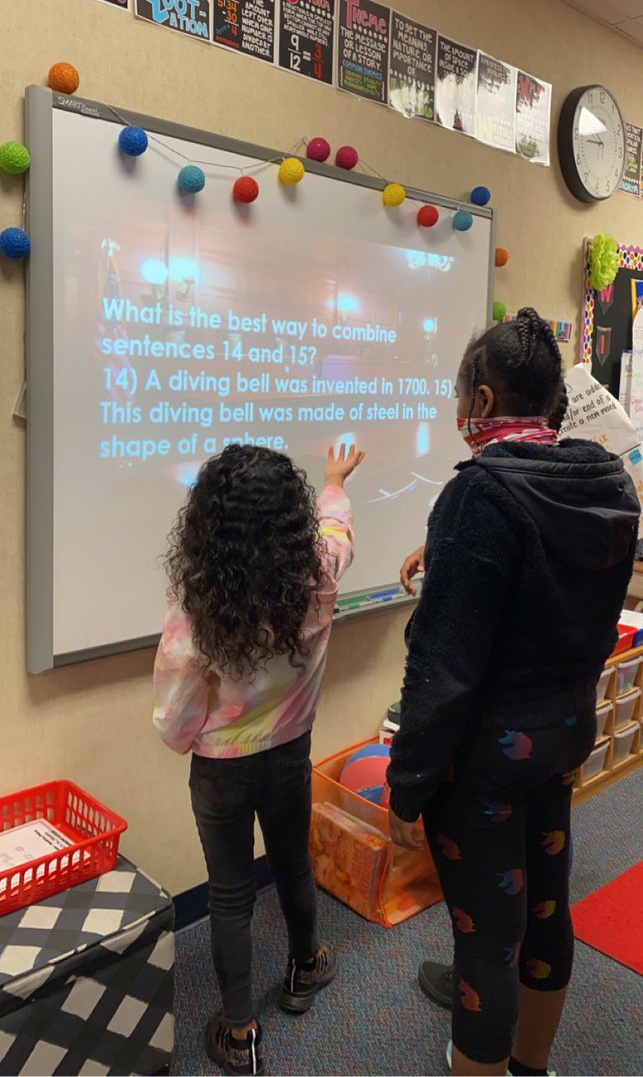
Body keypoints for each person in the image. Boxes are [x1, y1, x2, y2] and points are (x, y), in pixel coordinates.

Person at [388, 308, 639, 1077]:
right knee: (543, 908)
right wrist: (451, 547)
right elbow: (547, 576)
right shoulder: (604, 478)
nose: (455, 403)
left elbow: (444, 669)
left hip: (486, 761)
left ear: (486, 400)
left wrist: (406, 789)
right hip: (562, 734)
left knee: (484, 937)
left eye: (460, 389)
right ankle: (533, 1065)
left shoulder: (479, 496)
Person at [153, 442, 364, 1077]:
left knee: (229, 893)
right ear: (289, 517)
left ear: (210, 523)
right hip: (290, 751)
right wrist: (332, 480)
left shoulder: (199, 605)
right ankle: (306, 967)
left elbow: (176, 710)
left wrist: (191, 738)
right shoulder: (319, 571)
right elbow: (338, 527)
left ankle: (240, 1030)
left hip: (222, 766)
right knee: (293, 863)